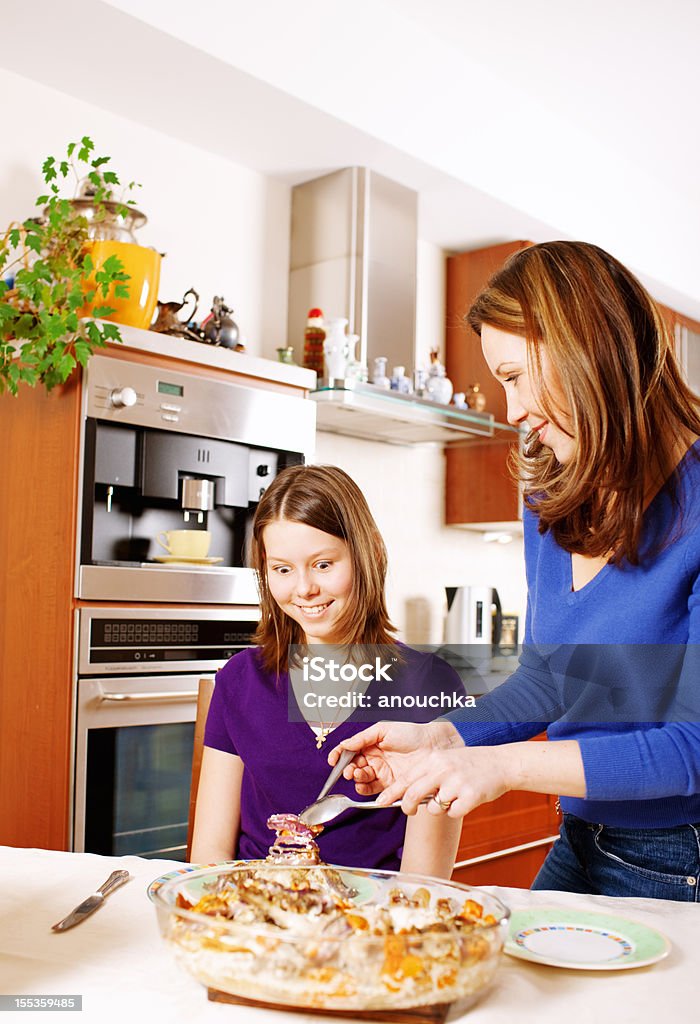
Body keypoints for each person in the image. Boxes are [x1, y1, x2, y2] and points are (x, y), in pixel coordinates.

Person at [330, 240, 700, 900]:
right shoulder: (553, 493)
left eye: (513, 376)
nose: (512, 412)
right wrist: (441, 736)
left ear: (588, 348)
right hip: (584, 837)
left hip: (682, 853)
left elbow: (692, 748)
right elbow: (548, 680)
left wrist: (499, 766)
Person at [190, 464, 464, 875]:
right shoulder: (239, 680)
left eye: (322, 564)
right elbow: (209, 857)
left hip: (371, 922)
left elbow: (424, 880)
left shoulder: (431, 682)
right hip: (251, 915)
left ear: (368, 553)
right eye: (282, 569)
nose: (304, 589)